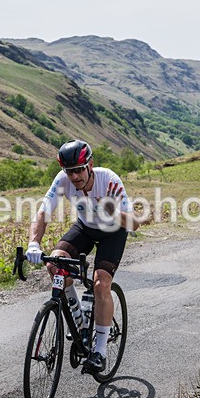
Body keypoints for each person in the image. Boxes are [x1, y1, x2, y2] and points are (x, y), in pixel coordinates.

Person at [26, 140, 139, 373]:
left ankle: (99, 351)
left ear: (90, 165)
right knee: (56, 264)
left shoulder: (109, 180)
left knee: (100, 284)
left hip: (112, 232)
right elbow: (43, 211)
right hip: (85, 228)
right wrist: (33, 243)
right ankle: (78, 318)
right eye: (70, 171)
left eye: (79, 170)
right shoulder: (62, 180)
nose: (74, 177)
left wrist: (113, 211)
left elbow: (134, 223)